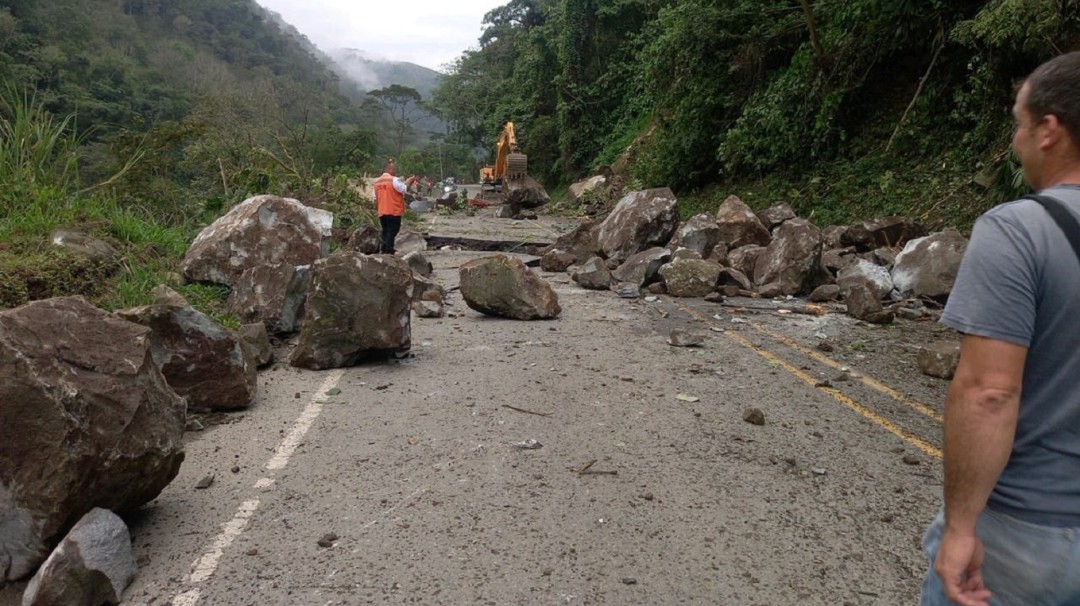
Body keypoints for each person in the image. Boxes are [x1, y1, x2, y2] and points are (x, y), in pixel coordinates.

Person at [920, 51, 1080, 606]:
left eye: (1018, 123)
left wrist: (962, 527)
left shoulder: (1018, 230)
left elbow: (990, 392)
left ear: (1049, 131)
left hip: (1026, 533)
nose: (1013, 139)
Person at [372, 160, 417, 255]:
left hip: (382, 211)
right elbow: (404, 189)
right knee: (393, 230)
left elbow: (375, 199)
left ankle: (383, 248)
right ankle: (389, 250)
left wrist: (378, 210)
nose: (395, 171)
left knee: (385, 230)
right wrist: (409, 181)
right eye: (394, 169)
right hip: (393, 210)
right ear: (389, 169)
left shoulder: (377, 182)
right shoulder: (393, 179)